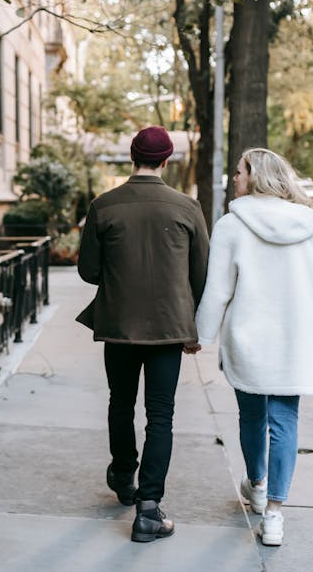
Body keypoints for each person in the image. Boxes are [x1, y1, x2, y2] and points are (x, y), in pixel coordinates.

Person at [76, 126, 210, 543]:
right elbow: (201, 275)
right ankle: (148, 509)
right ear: (167, 161)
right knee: (161, 416)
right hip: (169, 328)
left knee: (120, 403)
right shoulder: (187, 207)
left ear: (133, 158)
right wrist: (192, 325)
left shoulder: (104, 206)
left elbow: (89, 271)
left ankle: (122, 473)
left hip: (118, 325)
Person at [195, 148, 313, 547]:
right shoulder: (306, 225)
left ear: (254, 176)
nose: (234, 178)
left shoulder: (231, 225)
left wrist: (201, 336)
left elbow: (218, 289)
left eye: (238, 172)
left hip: (247, 337)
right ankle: (274, 515)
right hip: (293, 337)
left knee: (253, 416)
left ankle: (256, 484)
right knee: (285, 421)